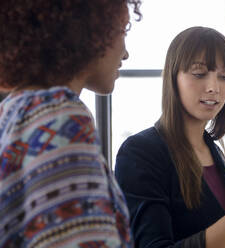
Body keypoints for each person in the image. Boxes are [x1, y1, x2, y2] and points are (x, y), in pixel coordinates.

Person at [115, 26, 225, 248]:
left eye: (224, 76)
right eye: (199, 74)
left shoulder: (213, 150)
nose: (213, 88)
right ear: (173, 78)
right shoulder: (139, 152)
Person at [0, 1, 141, 247]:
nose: (125, 53)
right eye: (122, 30)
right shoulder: (60, 121)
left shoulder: (12, 111)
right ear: (89, 28)